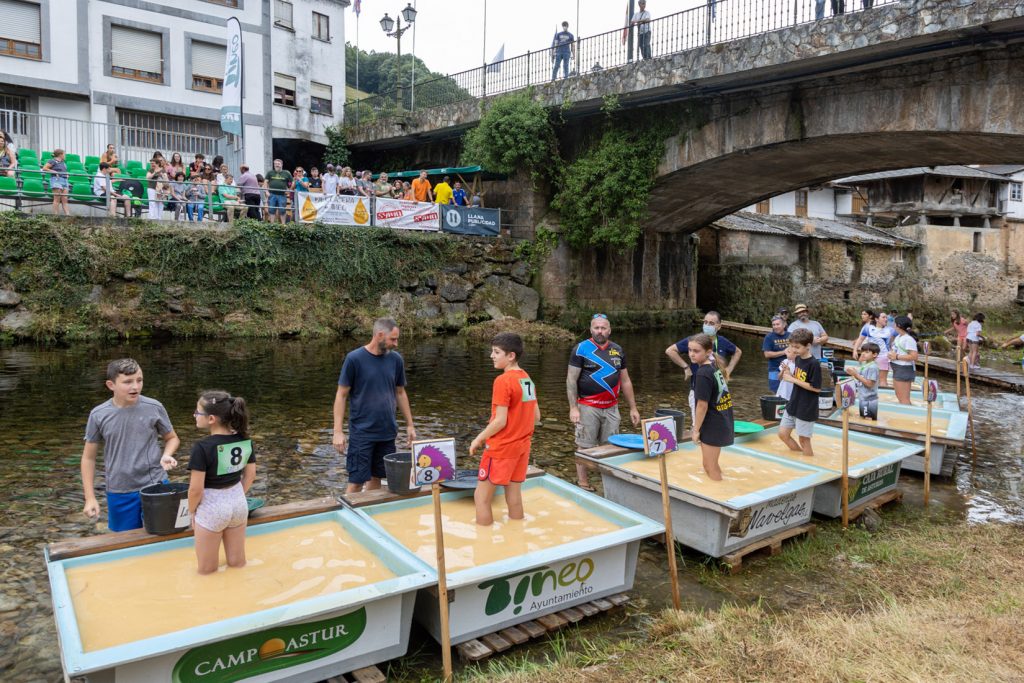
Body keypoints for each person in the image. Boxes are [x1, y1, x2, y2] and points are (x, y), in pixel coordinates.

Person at [81, 358, 181, 532]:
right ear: (111, 385)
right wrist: (90, 497)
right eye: (127, 382)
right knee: (123, 541)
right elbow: (88, 458)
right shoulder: (99, 415)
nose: (135, 386)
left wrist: (167, 454)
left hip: (155, 484)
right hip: (119, 491)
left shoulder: (153, 407)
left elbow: (172, 438)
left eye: (139, 380)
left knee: (162, 535)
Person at [332, 318, 417, 494]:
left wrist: (410, 425)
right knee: (356, 482)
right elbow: (341, 395)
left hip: (387, 432)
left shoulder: (396, 360)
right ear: (380, 335)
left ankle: (368, 516)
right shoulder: (354, 359)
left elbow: (400, 392)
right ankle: (349, 516)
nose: (396, 343)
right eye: (393, 339)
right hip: (362, 433)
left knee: (376, 478)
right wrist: (337, 431)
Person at [470, 333, 541, 526]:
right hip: (522, 448)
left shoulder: (502, 381)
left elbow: (500, 421)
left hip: (501, 448)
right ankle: (517, 536)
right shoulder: (526, 378)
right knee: (514, 496)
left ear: (510, 356)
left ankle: (483, 544)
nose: (491, 356)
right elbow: (536, 417)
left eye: (496, 352)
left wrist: (479, 438)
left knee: (481, 498)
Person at [568, 314, 641, 491]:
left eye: (603, 328)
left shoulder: (617, 350)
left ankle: (607, 482)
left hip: (611, 407)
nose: (600, 331)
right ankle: (583, 483)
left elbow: (625, 380)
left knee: (612, 446)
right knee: (584, 445)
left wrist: (633, 407)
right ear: (591, 329)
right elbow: (571, 379)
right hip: (588, 406)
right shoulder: (581, 349)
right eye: (596, 328)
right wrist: (573, 408)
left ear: (610, 330)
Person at [187, 390, 256, 574]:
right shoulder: (244, 440)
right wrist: (237, 494)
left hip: (212, 507)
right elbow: (250, 475)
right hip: (238, 503)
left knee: (206, 571)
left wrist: (192, 511)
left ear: (211, 419)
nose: (194, 415)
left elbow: (196, 490)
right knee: (238, 564)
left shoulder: (201, 448)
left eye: (197, 412)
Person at [665, 310, 741, 428]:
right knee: (698, 425)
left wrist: (729, 370)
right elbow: (670, 350)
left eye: (711, 323)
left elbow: (737, 352)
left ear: (719, 326)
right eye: (705, 322)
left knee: (718, 423)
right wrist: (686, 367)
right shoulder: (694, 341)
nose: (707, 325)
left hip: (720, 391)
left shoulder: (722, 342)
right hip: (698, 390)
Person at [688, 333, 733, 481]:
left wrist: (695, 430)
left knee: (709, 466)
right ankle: (722, 485)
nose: (691, 354)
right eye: (690, 350)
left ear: (708, 352)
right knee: (712, 465)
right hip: (721, 419)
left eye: (696, 351)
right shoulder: (714, 366)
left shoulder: (703, 373)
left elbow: (702, 405)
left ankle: (720, 495)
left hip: (713, 424)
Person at [777, 329, 821, 458]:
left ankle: (809, 464)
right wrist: (790, 375)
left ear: (808, 346)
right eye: (791, 346)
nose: (793, 349)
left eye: (797, 347)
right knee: (783, 434)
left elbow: (816, 388)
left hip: (806, 407)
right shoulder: (798, 359)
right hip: (793, 403)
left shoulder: (814, 364)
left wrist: (792, 379)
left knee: (804, 440)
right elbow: (800, 379)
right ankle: (797, 457)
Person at [853, 311, 893, 389]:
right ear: (877, 319)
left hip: (883, 356)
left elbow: (903, 334)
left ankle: (882, 398)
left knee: (882, 380)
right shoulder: (868, 327)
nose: (886, 319)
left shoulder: (890, 330)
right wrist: (855, 350)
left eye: (886, 317)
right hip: (869, 356)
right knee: (866, 376)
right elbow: (860, 339)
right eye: (883, 317)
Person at [890, 316, 919, 404]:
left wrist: (897, 356)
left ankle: (911, 415)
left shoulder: (908, 339)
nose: (893, 325)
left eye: (894, 323)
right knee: (899, 396)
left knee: (904, 399)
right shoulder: (899, 336)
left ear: (898, 325)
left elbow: (914, 356)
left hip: (904, 369)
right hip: (897, 367)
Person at [847, 342, 879, 419]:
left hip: (869, 399)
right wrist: (854, 372)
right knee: (863, 417)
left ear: (874, 355)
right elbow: (861, 373)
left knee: (867, 419)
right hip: (864, 396)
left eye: (867, 352)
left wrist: (855, 374)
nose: (863, 354)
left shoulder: (872, 367)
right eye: (862, 352)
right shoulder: (866, 364)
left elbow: (870, 384)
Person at [762, 315, 790, 392]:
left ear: (784, 325)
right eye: (774, 325)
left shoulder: (790, 336)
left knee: (789, 391)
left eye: (778, 324)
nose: (775, 327)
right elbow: (767, 354)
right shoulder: (769, 337)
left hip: (789, 368)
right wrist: (784, 352)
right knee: (775, 392)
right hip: (774, 369)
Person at [43, 148, 71, 216]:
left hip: (64, 180)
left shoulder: (63, 163)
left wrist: (67, 174)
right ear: (60, 155)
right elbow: (45, 168)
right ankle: (56, 216)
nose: (65, 156)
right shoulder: (52, 161)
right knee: (57, 199)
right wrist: (54, 171)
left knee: (65, 200)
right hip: (56, 180)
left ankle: (68, 215)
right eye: (64, 154)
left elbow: (64, 170)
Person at [265, 159, 292, 224]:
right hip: (272, 194)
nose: (277, 165)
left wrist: (289, 190)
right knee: (271, 210)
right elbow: (265, 182)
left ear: (282, 165)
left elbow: (291, 182)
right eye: (275, 164)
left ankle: (283, 225)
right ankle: (272, 225)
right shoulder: (270, 173)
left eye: (278, 164)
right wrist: (266, 191)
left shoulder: (286, 173)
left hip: (282, 195)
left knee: (282, 210)